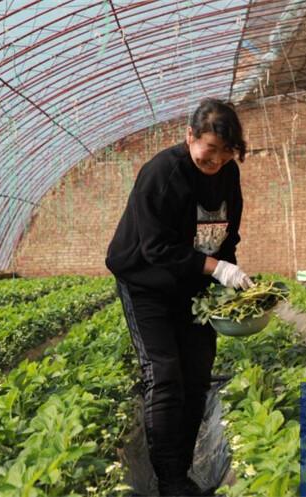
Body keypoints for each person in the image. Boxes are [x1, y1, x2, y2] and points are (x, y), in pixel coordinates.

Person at [106, 98, 251, 496]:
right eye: (210, 148)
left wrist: (229, 278)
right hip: (146, 283)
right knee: (164, 374)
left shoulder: (228, 174)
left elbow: (226, 234)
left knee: (197, 376)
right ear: (190, 136)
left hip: (192, 286)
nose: (217, 159)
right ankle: (169, 481)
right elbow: (156, 248)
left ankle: (181, 472)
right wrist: (216, 268)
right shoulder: (162, 173)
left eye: (226, 151)